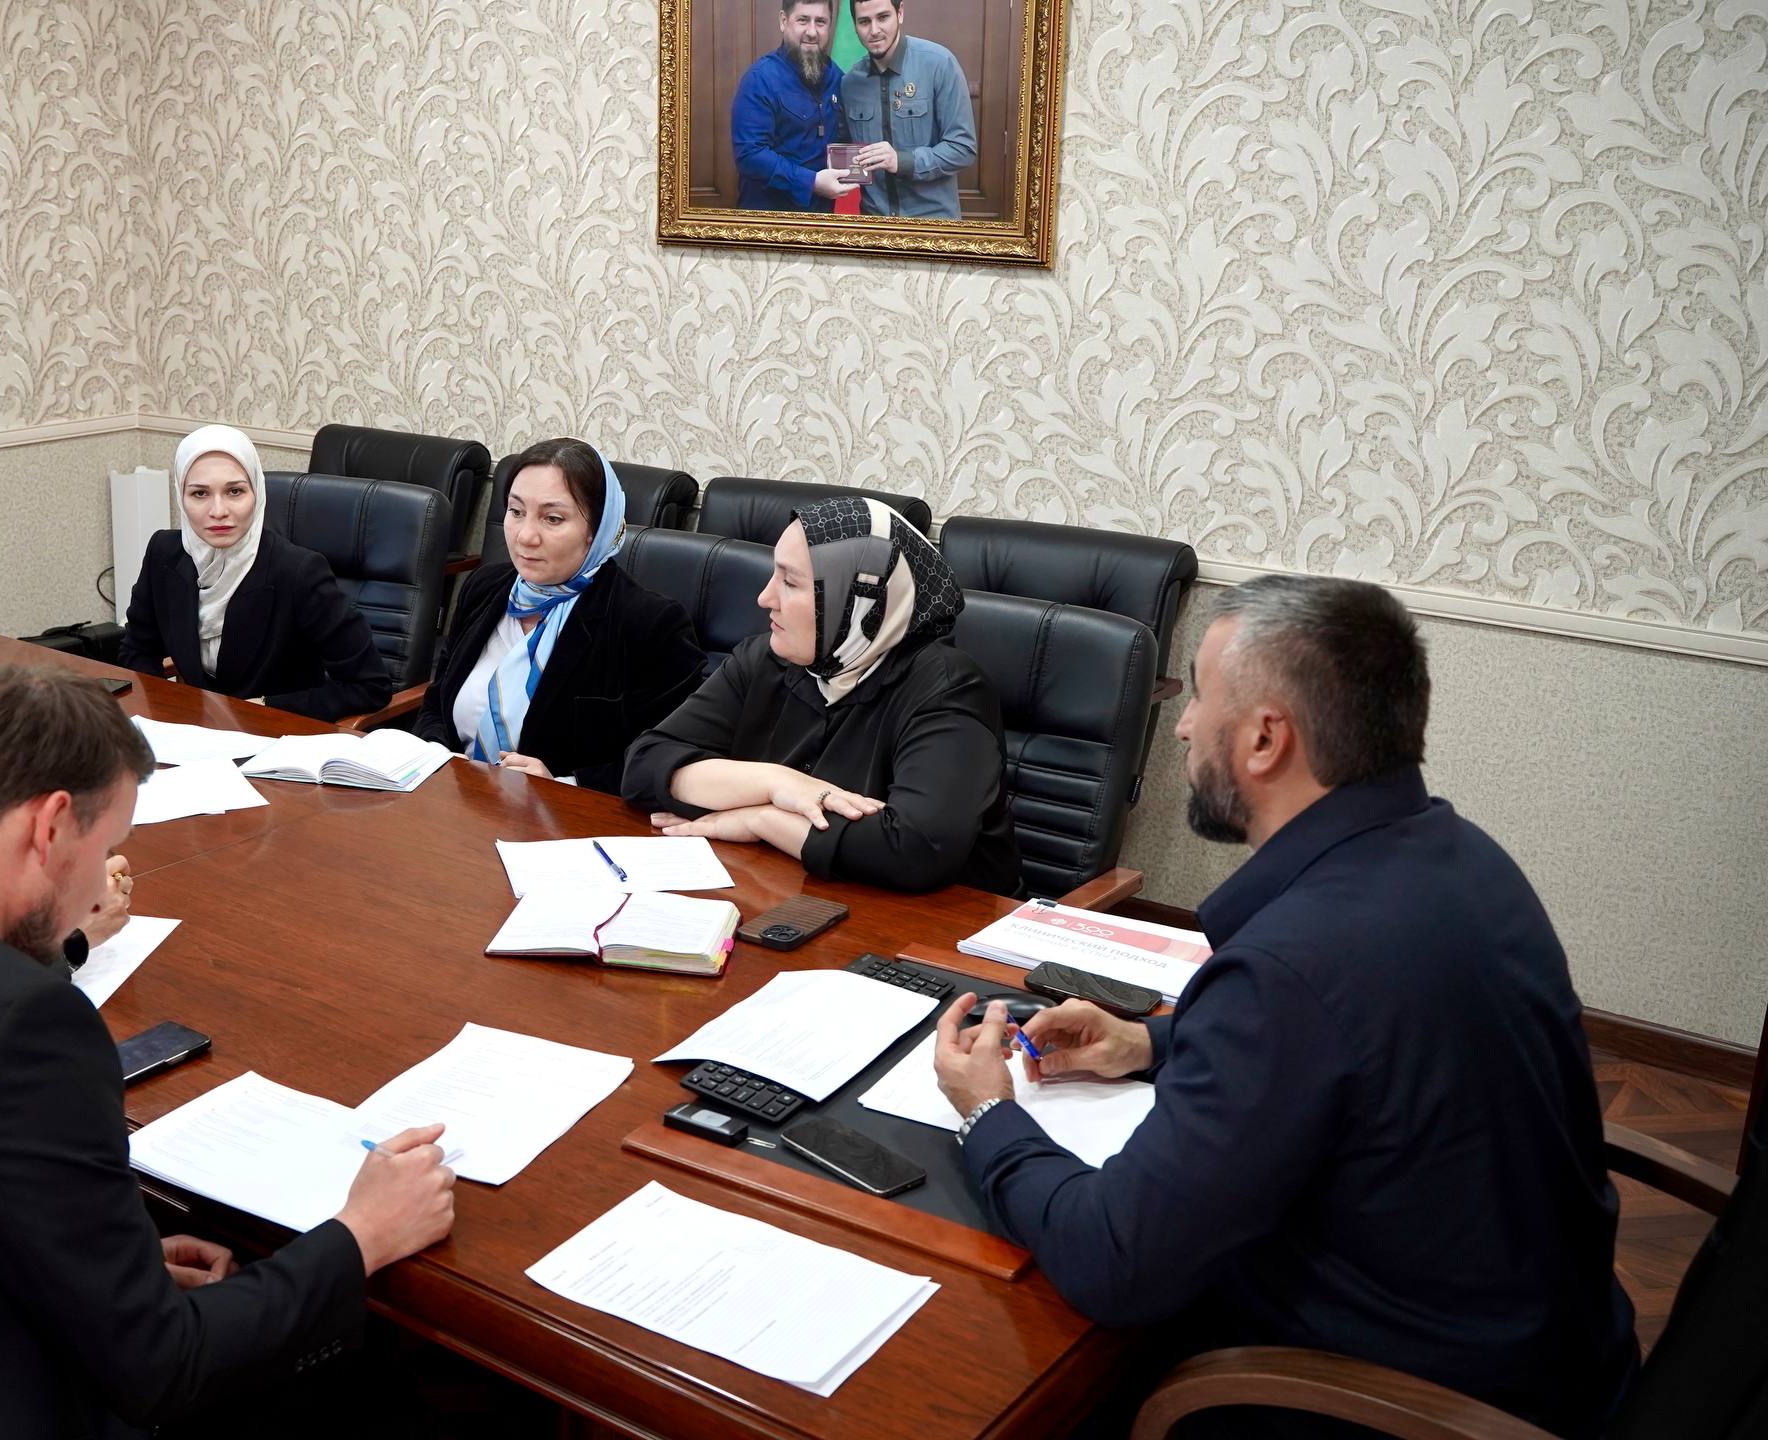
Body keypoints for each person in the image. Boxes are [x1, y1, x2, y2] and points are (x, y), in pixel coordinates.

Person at [931, 576, 1637, 1438]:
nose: (1183, 727)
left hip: (1401, 1406)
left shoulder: (1289, 969)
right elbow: (1362, 1046)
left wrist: (988, 1116)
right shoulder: (1461, 856)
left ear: (1265, 738)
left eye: (1199, 697)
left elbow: (1116, 1263)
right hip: (1556, 1354)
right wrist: (1150, 1044)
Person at [0, 665, 457, 1439]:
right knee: (381, 1385)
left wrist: (109, 1265)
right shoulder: (26, 1026)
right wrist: (362, 1235)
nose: (101, 894)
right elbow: (163, 1368)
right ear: (50, 826)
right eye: (107, 846)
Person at [622, 497, 1019, 894]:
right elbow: (645, 766)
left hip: (933, 920)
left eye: (791, 582)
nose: (765, 598)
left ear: (861, 599)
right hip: (784, 888)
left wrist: (762, 819)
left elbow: (914, 849)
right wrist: (777, 783)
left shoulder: (949, 688)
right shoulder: (767, 657)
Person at [411, 438, 705, 793]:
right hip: (451, 797)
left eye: (552, 518)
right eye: (516, 511)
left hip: (564, 816)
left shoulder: (649, 624)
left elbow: (667, 759)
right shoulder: (485, 588)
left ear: (598, 528)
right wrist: (436, 753)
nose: (525, 536)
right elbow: (437, 702)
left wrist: (563, 785)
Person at [120, 424, 391, 721]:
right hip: (194, 731)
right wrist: (163, 711)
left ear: (257, 493)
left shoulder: (299, 572)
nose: (218, 511)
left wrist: (263, 707)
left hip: (278, 733)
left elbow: (370, 686)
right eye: (199, 493)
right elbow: (138, 650)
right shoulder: (163, 553)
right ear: (181, 497)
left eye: (235, 491)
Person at [839, 0, 977, 218]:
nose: (874, 30)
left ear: (900, 13)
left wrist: (902, 161)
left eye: (883, 17)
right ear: (855, 25)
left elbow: (963, 149)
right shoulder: (850, 83)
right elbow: (847, 152)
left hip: (932, 223)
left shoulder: (940, 63)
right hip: (874, 224)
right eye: (864, 21)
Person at [731, 0, 858, 211]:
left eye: (820, 22)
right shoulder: (760, 79)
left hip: (823, 218)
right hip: (771, 220)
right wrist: (810, 183)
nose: (812, 32)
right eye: (803, 20)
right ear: (784, 21)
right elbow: (749, 155)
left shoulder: (838, 78)